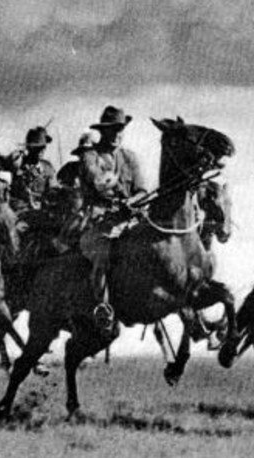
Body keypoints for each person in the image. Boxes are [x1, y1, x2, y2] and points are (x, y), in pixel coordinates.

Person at [78, 106, 147, 329]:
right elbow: (100, 183)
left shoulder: (130, 157)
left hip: (130, 219)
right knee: (103, 253)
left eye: (121, 129)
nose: (118, 134)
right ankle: (102, 306)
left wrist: (134, 202)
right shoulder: (91, 157)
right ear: (104, 131)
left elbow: (141, 190)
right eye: (113, 129)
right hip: (100, 220)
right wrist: (121, 202)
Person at [6, 126, 57, 216]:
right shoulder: (18, 165)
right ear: (29, 149)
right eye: (38, 148)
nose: (42, 151)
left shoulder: (47, 167)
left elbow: (53, 190)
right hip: (21, 211)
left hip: (42, 211)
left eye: (43, 147)